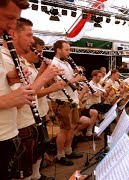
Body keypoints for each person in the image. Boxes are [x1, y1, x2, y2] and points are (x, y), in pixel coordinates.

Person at [2, 17, 62, 179]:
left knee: (30, 167)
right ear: (13, 34)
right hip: (17, 127)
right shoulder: (5, 59)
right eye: (29, 35)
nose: (31, 40)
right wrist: (45, 77)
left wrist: (43, 73)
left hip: (23, 125)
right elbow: (19, 101)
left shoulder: (17, 60)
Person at [0, 1, 33, 178]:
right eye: (9, 18)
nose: (12, 26)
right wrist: (7, 100)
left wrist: (10, 78)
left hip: (8, 134)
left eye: (16, 19)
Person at [49, 40, 85, 166]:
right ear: (58, 50)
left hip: (72, 99)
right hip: (62, 101)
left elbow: (70, 80)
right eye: (67, 50)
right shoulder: (54, 64)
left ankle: (68, 150)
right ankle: (60, 155)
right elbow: (59, 84)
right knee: (64, 129)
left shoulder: (66, 63)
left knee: (73, 126)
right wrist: (75, 79)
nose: (69, 52)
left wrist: (76, 75)